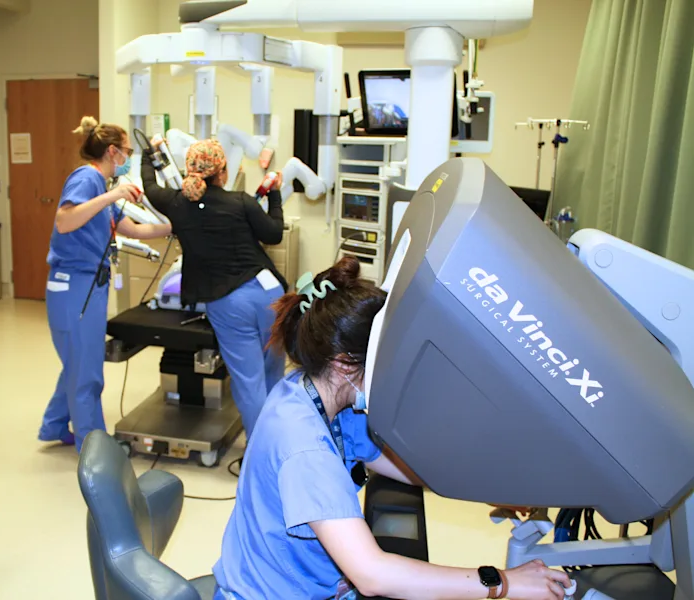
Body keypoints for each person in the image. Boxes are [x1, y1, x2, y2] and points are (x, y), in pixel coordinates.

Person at [212, 256, 572, 600]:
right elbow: (372, 574)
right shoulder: (303, 445)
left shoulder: (318, 394)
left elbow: (407, 469)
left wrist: (491, 491)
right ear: (344, 363)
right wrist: (502, 582)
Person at [38, 116, 172, 452]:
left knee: (77, 361)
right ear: (112, 152)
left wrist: (174, 225)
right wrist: (112, 196)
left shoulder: (101, 188)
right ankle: (94, 449)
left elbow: (135, 230)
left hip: (88, 287)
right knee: (87, 373)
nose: (127, 157)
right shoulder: (87, 178)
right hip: (74, 289)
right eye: (126, 151)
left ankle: (54, 425)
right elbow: (65, 220)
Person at [141, 138, 287, 441]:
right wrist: (274, 195)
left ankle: (261, 457)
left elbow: (149, 186)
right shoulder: (241, 201)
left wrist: (148, 152)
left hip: (229, 303)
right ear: (222, 172)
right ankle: (279, 444)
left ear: (188, 171)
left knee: (249, 382)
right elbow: (273, 234)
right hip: (269, 294)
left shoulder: (176, 204)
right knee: (273, 371)